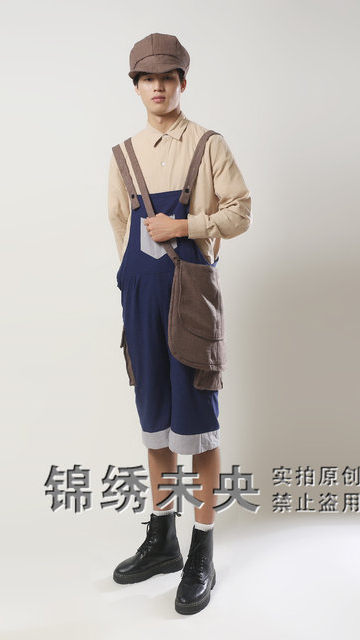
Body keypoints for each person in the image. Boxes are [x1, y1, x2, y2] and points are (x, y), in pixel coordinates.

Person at [107, 32, 251, 615]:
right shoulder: (123, 154)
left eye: (167, 77)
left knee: (198, 426)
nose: (158, 87)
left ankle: (202, 549)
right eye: (147, 78)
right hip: (142, 298)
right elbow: (119, 226)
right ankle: (162, 538)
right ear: (137, 86)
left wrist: (187, 227)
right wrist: (138, 278)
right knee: (156, 425)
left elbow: (240, 212)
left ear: (182, 82)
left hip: (191, 296)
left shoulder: (209, 145)